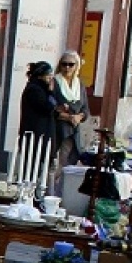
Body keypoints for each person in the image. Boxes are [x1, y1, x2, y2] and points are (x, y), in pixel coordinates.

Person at [52, 50, 88, 188]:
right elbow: (53, 107)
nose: (67, 67)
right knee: (57, 163)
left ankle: (61, 190)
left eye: (71, 64)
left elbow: (85, 109)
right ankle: (50, 191)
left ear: (76, 66)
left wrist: (79, 117)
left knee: (70, 162)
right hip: (58, 129)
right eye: (64, 64)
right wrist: (68, 117)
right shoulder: (55, 82)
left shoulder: (80, 84)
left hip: (74, 130)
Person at [17, 60, 56, 184]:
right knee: (31, 167)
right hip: (35, 134)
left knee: (35, 167)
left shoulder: (36, 88)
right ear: (41, 75)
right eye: (48, 75)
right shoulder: (35, 90)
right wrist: (50, 93)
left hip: (37, 134)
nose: (51, 78)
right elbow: (47, 107)